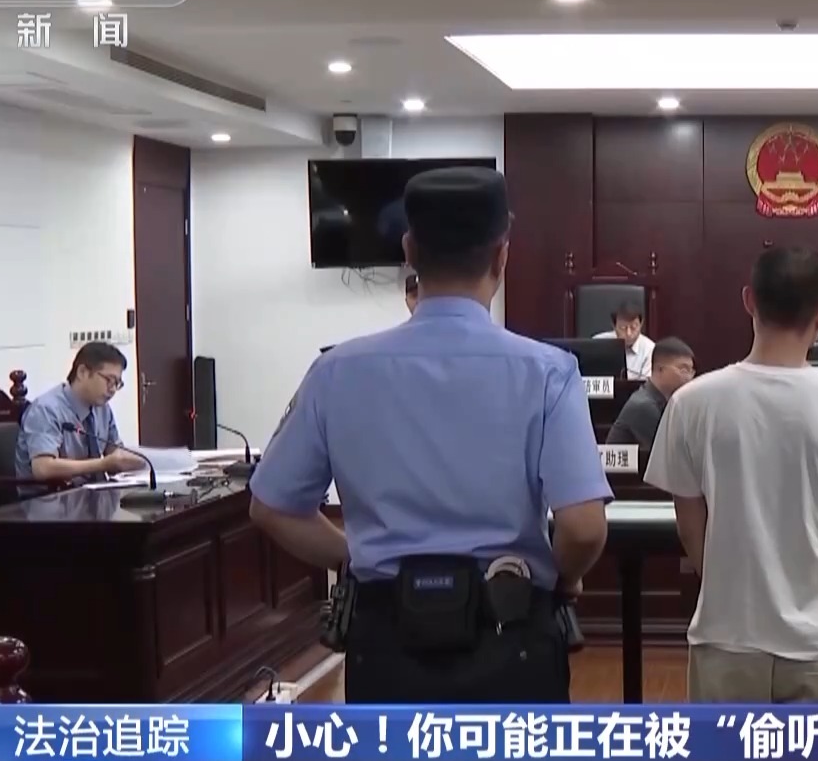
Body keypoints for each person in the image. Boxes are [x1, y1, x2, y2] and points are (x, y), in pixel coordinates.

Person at [249, 166, 612, 704]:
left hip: (386, 642)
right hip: (511, 632)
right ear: (502, 256)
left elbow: (271, 507)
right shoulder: (548, 372)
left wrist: (354, 557)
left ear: (409, 251)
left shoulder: (336, 371)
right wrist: (563, 577)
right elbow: (583, 528)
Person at [644, 245, 818, 703]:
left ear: (749, 300)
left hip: (727, 637)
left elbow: (689, 526)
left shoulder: (691, 403)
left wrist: (725, 583)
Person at [16, 341, 144, 485]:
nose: (113, 389)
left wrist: (144, 461)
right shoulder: (46, 409)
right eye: (109, 380)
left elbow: (115, 452)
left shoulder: (102, 408)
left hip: (93, 493)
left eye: (117, 383)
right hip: (49, 495)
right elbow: (43, 468)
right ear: (82, 372)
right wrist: (103, 464)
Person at [604, 337, 696, 458]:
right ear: (660, 369)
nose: (689, 377)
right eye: (684, 370)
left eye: (691, 371)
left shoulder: (662, 401)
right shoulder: (643, 406)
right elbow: (670, 455)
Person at [595, 302, 655, 379]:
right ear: (614, 326)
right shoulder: (598, 343)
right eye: (623, 328)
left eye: (633, 327)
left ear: (641, 324)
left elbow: (645, 384)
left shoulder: (649, 349)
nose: (628, 333)